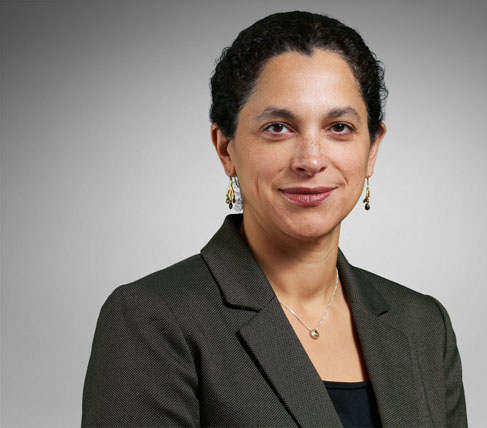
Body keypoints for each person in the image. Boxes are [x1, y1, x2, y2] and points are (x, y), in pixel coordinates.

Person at [82, 11, 467, 428]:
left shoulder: (423, 325)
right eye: (279, 127)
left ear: (372, 149)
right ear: (226, 148)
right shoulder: (154, 319)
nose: (311, 161)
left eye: (339, 127)